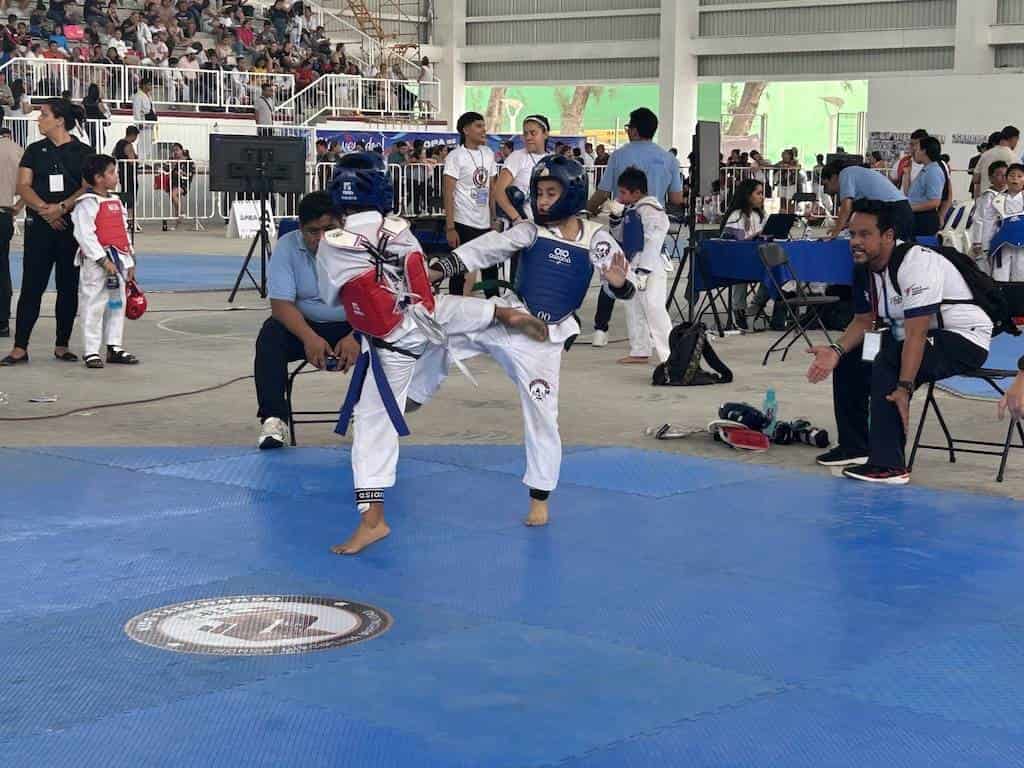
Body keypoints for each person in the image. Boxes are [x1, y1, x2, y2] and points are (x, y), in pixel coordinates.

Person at [314, 153, 548, 555]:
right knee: (444, 322)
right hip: (425, 319)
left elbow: (330, 294)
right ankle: (498, 313)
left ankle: (373, 522)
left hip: (391, 345)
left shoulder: (333, 246)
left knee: (372, 427)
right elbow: (419, 283)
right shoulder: (400, 231)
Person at [416, 155, 634, 527]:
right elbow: (485, 248)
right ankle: (405, 398)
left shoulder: (597, 238)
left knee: (543, 415)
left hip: (543, 341)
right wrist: (442, 267)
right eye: (539, 192)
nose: (544, 200)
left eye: (552, 192)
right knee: (439, 335)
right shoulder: (530, 230)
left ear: (572, 193)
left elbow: (625, 290)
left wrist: (618, 284)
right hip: (507, 318)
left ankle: (539, 497)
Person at [806, 200, 991, 484]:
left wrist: (904, 388)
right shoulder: (864, 268)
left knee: (890, 358)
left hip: (964, 339)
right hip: (913, 338)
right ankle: (855, 446)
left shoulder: (916, 263)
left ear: (888, 236)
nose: (855, 241)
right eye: (852, 234)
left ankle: (890, 465)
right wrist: (836, 350)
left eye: (864, 234)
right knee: (852, 358)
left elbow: (915, 334)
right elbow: (864, 321)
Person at [254, 191, 360, 450]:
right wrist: (309, 338)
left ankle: (367, 414)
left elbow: (378, 304)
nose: (321, 238)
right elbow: (280, 305)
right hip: (306, 326)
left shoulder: (361, 247)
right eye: (313, 231)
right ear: (300, 229)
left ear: (342, 223)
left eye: (330, 229)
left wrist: (358, 335)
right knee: (270, 335)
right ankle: (274, 419)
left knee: (386, 338)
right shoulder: (288, 246)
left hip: (356, 323)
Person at [2, 99, 92, 366]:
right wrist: (45, 210)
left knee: (68, 287)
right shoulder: (34, 150)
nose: (39, 119)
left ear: (59, 119)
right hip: (40, 227)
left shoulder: (83, 152)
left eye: (44, 115)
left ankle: (62, 345)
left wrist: (61, 208)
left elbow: (87, 187)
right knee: (32, 286)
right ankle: (20, 347)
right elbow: (24, 185)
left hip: (70, 228)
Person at [585, 107, 682, 347]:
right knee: (649, 286)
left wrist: (588, 210)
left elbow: (604, 191)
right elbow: (678, 198)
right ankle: (649, 340)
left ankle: (601, 329)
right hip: (652, 228)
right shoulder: (669, 158)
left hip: (625, 225)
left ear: (635, 130)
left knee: (612, 272)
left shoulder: (619, 155)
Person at [71, 153, 138, 368]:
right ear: (99, 178)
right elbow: (84, 235)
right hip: (97, 263)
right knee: (93, 304)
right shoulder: (87, 203)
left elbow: (123, 231)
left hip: (119, 260)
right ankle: (91, 350)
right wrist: (101, 259)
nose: (116, 176)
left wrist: (130, 260)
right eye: (111, 172)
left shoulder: (115, 201)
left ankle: (114, 346)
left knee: (117, 303)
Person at [612, 166, 672, 365]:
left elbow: (653, 239)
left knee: (654, 309)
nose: (620, 196)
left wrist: (644, 269)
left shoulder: (652, 210)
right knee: (633, 307)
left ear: (637, 192)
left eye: (623, 192)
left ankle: (670, 355)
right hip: (633, 264)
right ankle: (639, 350)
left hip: (650, 266)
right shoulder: (632, 210)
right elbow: (621, 236)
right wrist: (615, 218)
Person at [443, 111, 498, 297]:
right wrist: (450, 227)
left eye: (484, 126)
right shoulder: (456, 156)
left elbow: (492, 190)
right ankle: (454, 309)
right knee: (459, 270)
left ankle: (496, 305)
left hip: (485, 224)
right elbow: (448, 193)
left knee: (490, 269)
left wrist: (494, 219)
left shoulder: (488, 154)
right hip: (463, 222)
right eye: (479, 126)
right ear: (466, 130)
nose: (484, 130)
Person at [821, 160, 912, 240]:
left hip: (896, 210)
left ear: (833, 177)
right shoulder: (856, 175)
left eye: (826, 185)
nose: (826, 191)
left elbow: (846, 208)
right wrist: (843, 225)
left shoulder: (845, 174)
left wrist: (834, 233)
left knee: (897, 250)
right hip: (899, 209)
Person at [719, 178, 765, 330]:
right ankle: (739, 309)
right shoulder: (736, 216)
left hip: (755, 258)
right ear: (748, 195)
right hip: (736, 260)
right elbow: (732, 243)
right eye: (758, 193)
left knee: (777, 270)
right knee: (741, 268)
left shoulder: (759, 216)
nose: (761, 197)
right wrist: (752, 238)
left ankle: (756, 305)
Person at [0, 126, 22, 338]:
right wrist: (19, 206)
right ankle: (2, 321)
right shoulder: (16, 150)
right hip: (4, 213)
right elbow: (28, 184)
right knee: (2, 268)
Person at [970, 160, 1008, 274]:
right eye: (998, 175)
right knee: (985, 269)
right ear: (991, 178)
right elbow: (978, 218)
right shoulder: (987, 197)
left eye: (1005, 175)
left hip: (1002, 239)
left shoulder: (1008, 196)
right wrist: (977, 241)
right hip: (987, 239)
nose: (1002, 178)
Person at [987, 163, 1024, 281]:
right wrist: (984, 244)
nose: (1015, 179)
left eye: (1019, 176)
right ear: (1006, 179)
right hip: (1002, 244)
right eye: (1012, 175)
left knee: (1021, 275)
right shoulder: (997, 199)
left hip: (1022, 244)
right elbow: (989, 223)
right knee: (999, 276)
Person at [907, 136, 946, 237]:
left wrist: (910, 208)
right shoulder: (926, 169)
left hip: (924, 220)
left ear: (924, 151)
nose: (915, 152)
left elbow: (934, 202)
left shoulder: (933, 171)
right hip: (917, 218)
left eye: (917, 149)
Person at [973, 126, 1020, 199]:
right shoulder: (1014, 158)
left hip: (985, 199)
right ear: (1014, 138)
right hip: (1005, 201)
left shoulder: (985, 155)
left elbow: (976, 179)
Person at [113, 126, 139, 232]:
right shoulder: (128, 145)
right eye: (136, 136)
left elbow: (113, 154)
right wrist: (137, 160)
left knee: (124, 195)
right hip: (130, 174)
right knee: (131, 197)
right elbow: (132, 161)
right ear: (132, 135)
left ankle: (125, 219)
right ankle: (131, 221)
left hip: (122, 174)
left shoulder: (118, 144)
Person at [82, 82, 111, 151]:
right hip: (97, 125)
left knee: (93, 143)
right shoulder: (98, 102)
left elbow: (82, 110)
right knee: (101, 142)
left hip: (88, 125)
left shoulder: (85, 100)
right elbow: (105, 113)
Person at [131, 78, 156, 156]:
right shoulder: (138, 96)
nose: (150, 86)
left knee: (149, 142)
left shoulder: (148, 96)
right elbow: (136, 111)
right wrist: (139, 123)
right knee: (143, 142)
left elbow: (152, 108)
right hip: (143, 122)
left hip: (150, 122)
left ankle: (147, 160)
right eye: (149, 84)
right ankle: (141, 161)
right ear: (143, 85)